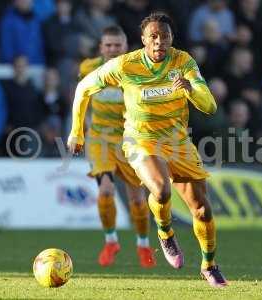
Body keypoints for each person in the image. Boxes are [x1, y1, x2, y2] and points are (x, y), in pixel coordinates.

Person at [68, 12, 228, 287]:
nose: (158, 42)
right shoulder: (125, 65)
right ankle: (165, 233)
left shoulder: (183, 62)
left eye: (164, 36)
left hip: (178, 143)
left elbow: (210, 106)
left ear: (171, 39)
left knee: (202, 211)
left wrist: (190, 88)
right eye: (153, 37)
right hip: (139, 140)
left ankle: (209, 265)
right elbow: (83, 88)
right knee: (161, 189)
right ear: (143, 40)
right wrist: (76, 131)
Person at [78, 25, 156, 268]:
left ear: (125, 47)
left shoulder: (137, 70)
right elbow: (81, 98)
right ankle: (111, 241)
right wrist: (77, 130)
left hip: (130, 141)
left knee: (138, 200)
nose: (112, 49)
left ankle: (143, 244)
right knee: (106, 191)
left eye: (117, 45)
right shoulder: (88, 68)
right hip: (100, 140)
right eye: (108, 45)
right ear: (101, 47)